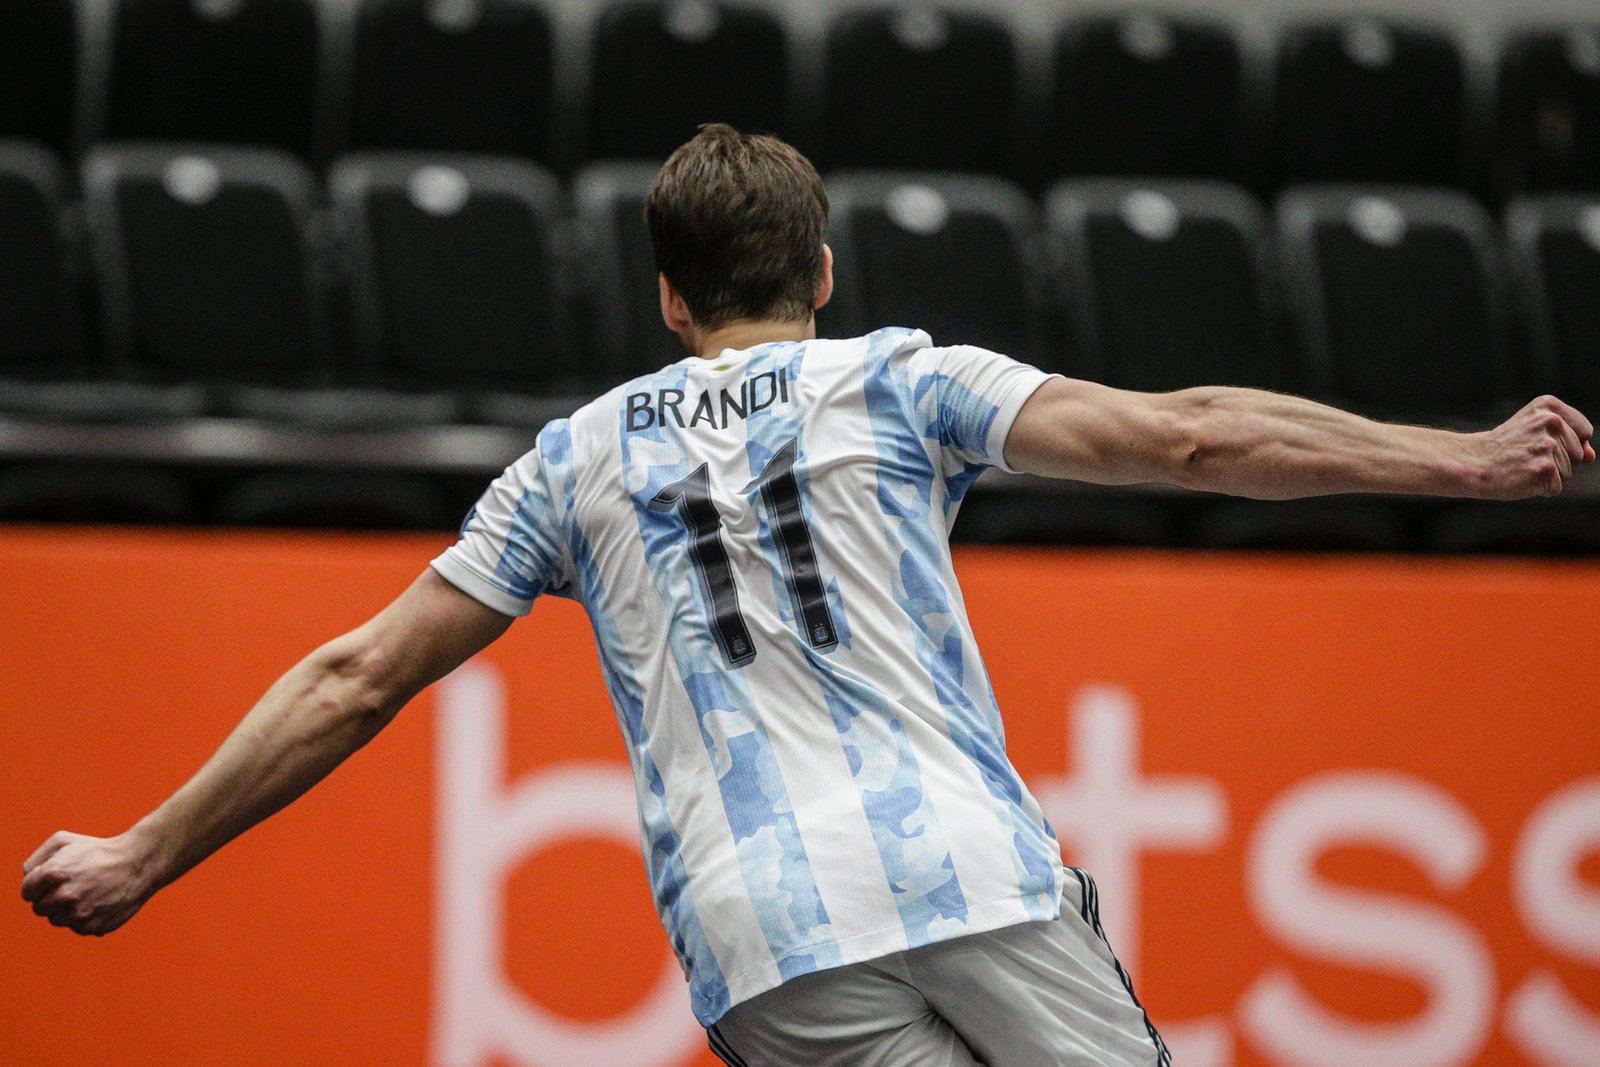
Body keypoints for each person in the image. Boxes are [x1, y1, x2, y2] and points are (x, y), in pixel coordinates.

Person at [21, 125, 1594, 1067]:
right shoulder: (899, 384)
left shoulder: (571, 464)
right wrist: (1453, 458)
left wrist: (147, 851)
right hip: (970, 875)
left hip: (767, 933)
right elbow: (1187, 431)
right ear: (825, 273)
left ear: (664, 296)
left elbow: (357, 674)